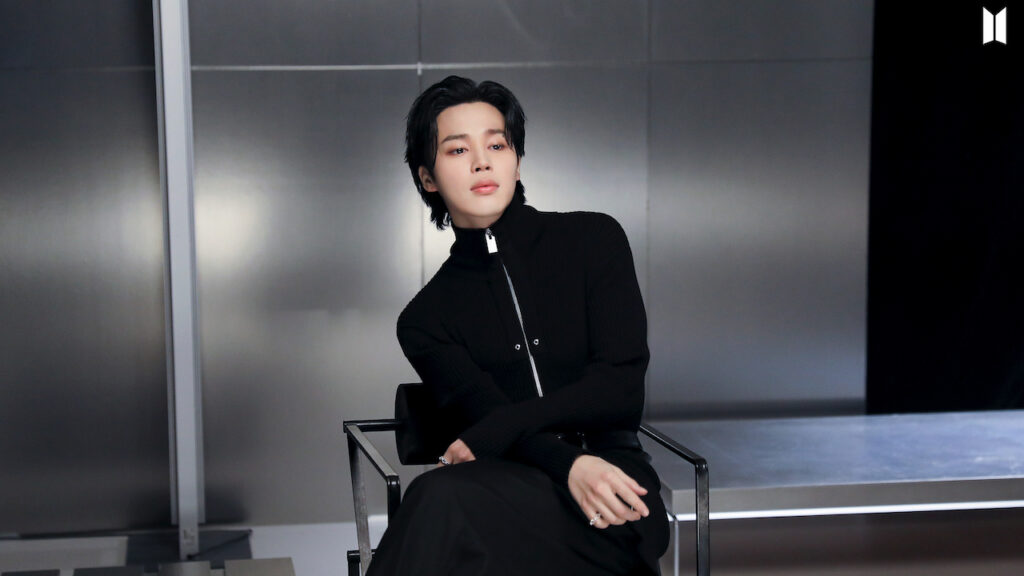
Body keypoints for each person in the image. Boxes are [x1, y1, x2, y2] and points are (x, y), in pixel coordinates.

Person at [366, 76, 668, 575]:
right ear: (427, 178)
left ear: (517, 161)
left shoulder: (595, 239)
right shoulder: (424, 320)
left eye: (496, 145)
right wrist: (567, 463)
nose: (481, 162)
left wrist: (503, 426)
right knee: (441, 503)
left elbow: (620, 390)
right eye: (457, 149)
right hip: (502, 496)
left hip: (617, 491)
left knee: (442, 509)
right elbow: (483, 411)